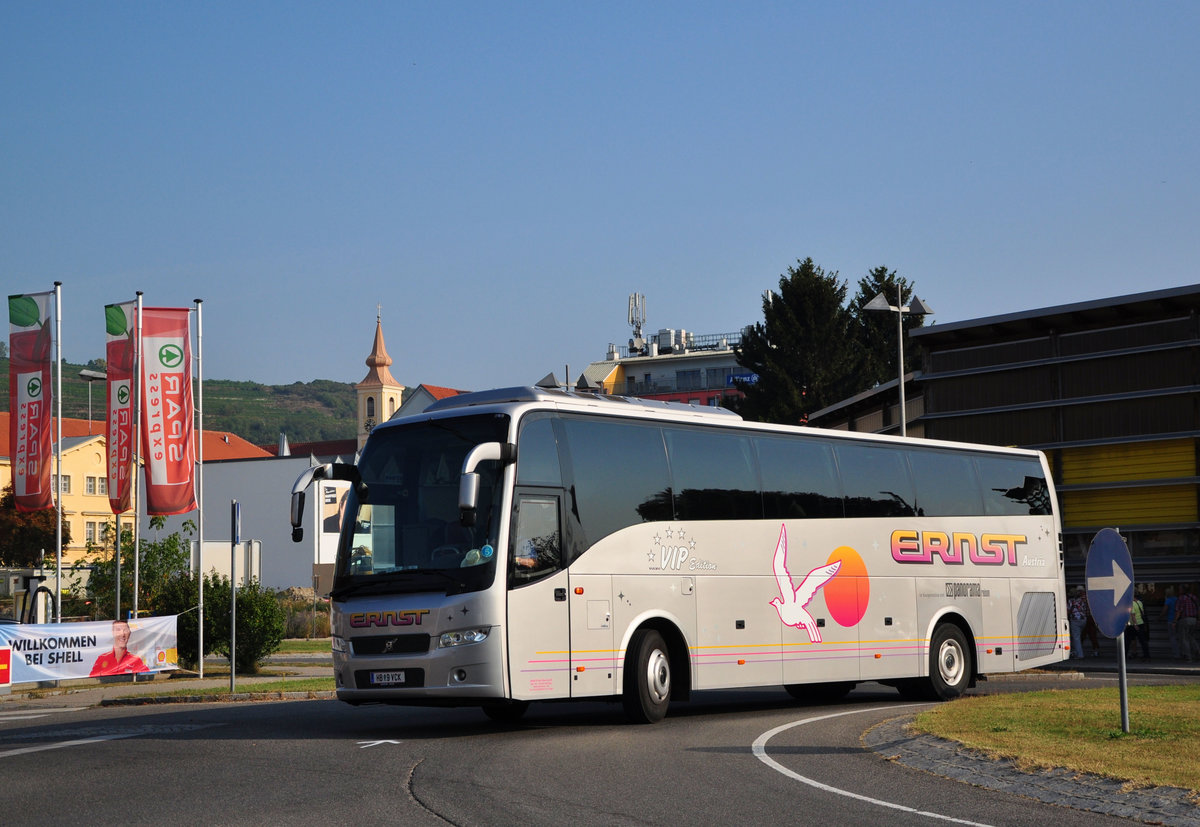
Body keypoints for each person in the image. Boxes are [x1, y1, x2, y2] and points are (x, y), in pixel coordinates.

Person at [1177, 584, 1200, 663]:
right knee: (1191, 637)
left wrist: (1174, 621)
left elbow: (1179, 611)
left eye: (1180, 589)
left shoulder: (1181, 598)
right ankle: (1198, 651)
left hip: (1185, 619)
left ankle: (1188, 657)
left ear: (1183, 590)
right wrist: (1198, 619)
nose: (1179, 591)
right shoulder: (1194, 597)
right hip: (1194, 619)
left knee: (1184, 639)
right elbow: (1198, 609)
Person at [1125, 590, 1150, 661]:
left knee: (1127, 641)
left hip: (1133, 625)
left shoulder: (1131, 604)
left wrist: (1135, 624)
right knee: (1143, 641)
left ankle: (1124, 656)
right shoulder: (1139, 602)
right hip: (1141, 623)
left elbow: (1133, 615)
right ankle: (1147, 656)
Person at [1067, 587, 1088, 659]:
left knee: (1076, 638)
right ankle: (1076, 652)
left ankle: (1080, 655)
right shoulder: (1082, 600)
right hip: (1084, 619)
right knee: (1078, 637)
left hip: (1075, 620)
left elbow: (1068, 611)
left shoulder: (1071, 601)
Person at [1159, 587, 1179, 659]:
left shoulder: (1168, 600)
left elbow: (1164, 610)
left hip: (1171, 621)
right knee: (1181, 637)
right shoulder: (1177, 599)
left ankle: (1176, 654)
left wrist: (1159, 618)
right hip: (1178, 620)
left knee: (1173, 638)